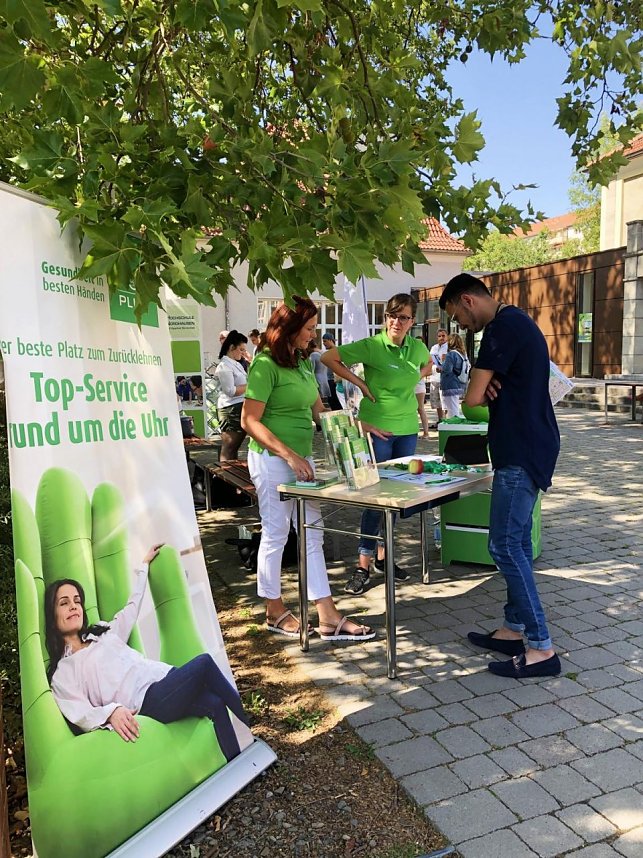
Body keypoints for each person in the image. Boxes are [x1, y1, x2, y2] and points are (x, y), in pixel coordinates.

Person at [440, 272, 561, 678]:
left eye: (456, 315)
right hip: (530, 444)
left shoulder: (499, 329)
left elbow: (472, 397)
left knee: (504, 546)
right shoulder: (516, 322)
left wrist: (485, 384)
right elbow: (486, 389)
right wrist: (491, 383)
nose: (459, 325)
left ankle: (541, 648)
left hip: (521, 451)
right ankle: (513, 629)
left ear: (467, 300)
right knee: (519, 543)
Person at [241, 297, 375, 642]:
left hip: (302, 460)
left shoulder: (301, 361)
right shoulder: (264, 364)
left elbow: (320, 412)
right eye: (309, 328)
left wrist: (356, 429)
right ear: (288, 328)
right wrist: (288, 456)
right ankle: (273, 610)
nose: (313, 336)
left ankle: (327, 615)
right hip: (273, 460)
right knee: (277, 533)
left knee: (314, 533)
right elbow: (249, 421)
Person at [45, 545, 248, 761]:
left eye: (77, 601)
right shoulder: (63, 672)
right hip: (147, 701)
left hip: (164, 679)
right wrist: (111, 712)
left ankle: (239, 764)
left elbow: (132, 607)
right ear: (52, 613)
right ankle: (250, 721)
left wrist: (144, 566)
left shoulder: (102, 633)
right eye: (64, 603)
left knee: (215, 703)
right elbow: (80, 712)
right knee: (204, 663)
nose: (74, 606)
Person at [321, 293, 429, 595]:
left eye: (404, 316)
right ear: (386, 318)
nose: (397, 321)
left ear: (412, 321)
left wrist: (416, 377)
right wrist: (360, 383)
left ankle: (384, 557)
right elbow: (329, 358)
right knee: (373, 499)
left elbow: (429, 365)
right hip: (378, 430)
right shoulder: (372, 346)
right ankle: (363, 564)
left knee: (394, 499)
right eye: (392, 315)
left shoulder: (418, 347)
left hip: (407, 430)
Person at [215, 331, 248, 460]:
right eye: (241, 349)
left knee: (234, 447)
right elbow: (230, 390)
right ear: (231, 347)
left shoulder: (235, 363)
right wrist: (252, 385)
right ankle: (223, 476)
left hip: (238, 407)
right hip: (230, 409)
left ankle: (229, 474)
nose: (243, 353)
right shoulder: (224, 365)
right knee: (229, 447)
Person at [440, 333, 467, 418]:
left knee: (452, 409)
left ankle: (454, 425)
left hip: (450, 383)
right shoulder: (463, 354)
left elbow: (447, 369)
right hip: (459, 383)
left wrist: (442, 364)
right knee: (454, 406)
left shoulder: (451, 354)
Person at [428, 328, 448, 428]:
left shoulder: (449, 348)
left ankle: (446, 420)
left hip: (445, 378)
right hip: (434, 378)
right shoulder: (434, 348)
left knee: (445, 401)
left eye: (443, 336)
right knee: (437, 402)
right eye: (439, 336)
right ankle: (440, 420)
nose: (441, 338)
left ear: (447, 337)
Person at [321, 332, 343, 410]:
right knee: (331, 401)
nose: (323, 343)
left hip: (335, 381)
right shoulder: (328, 352)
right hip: (329, 380)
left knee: (335, 402)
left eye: (325, 341)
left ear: (331, 340)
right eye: (323, 341)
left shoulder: (337, 351)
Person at [307, 339, 331, 404]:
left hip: (317, 380)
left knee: (317, 403)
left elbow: (311, 369)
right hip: (324, 378)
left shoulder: (313, 355)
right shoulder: (321, 353)